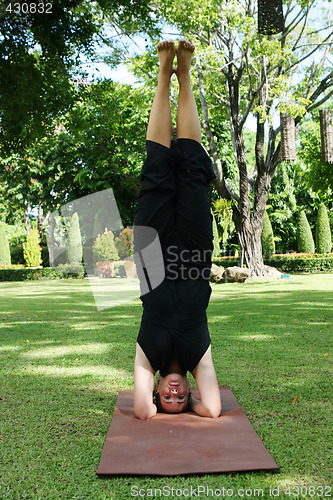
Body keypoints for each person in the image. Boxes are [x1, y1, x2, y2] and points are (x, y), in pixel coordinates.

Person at [133, 40, 221, 420]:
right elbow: (214, 410)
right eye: (180, 399)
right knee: (191, 172)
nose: (174, 395)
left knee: (156, 170)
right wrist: (194, 407)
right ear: (189, 390)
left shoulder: (146, 357)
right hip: (195, 256)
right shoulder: (197, 356)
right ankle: (183, 75)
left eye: (165, 399)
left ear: (155, 391)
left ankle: (162, 76)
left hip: (152, 260)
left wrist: (152, 406)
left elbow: (141, 412)